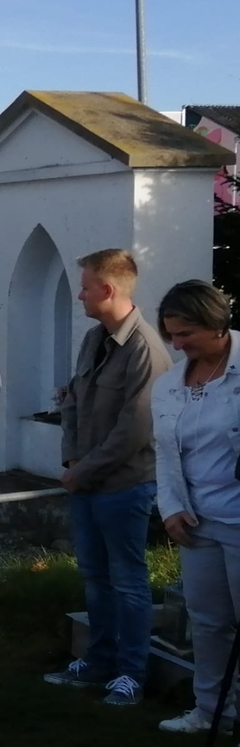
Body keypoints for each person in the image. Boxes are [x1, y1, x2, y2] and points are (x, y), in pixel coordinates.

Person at [46, 249, 172, 706]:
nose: (79, 295)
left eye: (84, 287)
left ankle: (131, 674)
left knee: (128, 582)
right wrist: (70, 460)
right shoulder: (93, 339)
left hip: (124, 487)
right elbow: (74, 401)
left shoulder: (145, 350)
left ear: (108, 289)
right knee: (95, 578)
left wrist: (84, 470)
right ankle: (99, 661)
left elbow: (134, 430)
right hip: (85, 483)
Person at [150, 281, 240, 735]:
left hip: (238, 518)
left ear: (216, 323)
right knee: (207, 623)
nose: (177, 345)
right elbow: (164, 452)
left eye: (186, 334)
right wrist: (169, 508)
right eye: (171, 335)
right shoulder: (169, 384)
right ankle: (212, 712)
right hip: (196, 521)